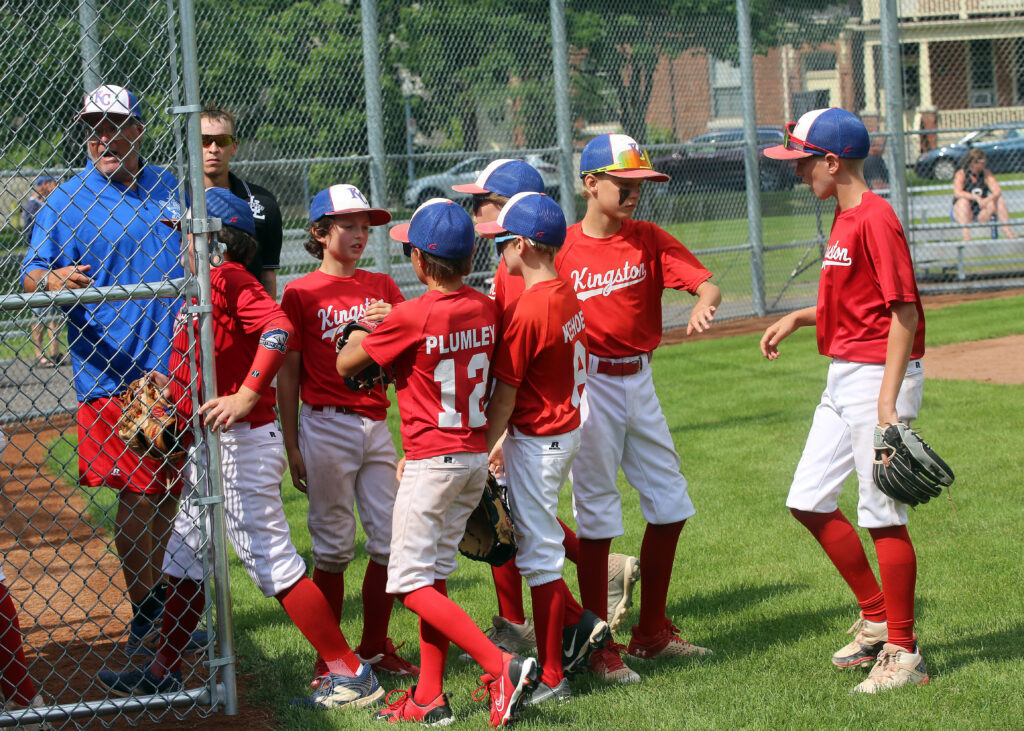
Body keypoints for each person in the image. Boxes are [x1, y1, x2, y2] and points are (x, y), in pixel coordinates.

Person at [97, 188, 384, 710]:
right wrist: (173, 386)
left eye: (184, 233)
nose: (178, 241)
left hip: (244, 442)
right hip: (212, 445)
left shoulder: (228, 277)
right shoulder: (202, 284)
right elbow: (215, 356)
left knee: (270, 559)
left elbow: (277, 329)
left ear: (212, 237)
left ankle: (351, 670)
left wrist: (249, 393)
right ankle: (165, 667)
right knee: (183, 557)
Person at [337, 199, 539, 727]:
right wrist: (394, 321)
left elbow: (346, 364)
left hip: (430, 464)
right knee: (431, 576)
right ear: (470, 258)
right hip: (473, 457)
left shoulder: (411, 314)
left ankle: (501, 664)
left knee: (407, 585)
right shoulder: (486, 306)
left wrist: (363, 327)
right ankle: (430, 695)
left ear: (421, 263)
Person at [761, 107, 930, 694]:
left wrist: (887, 407)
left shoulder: (875, 219)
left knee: (881, 512)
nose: (799, 172)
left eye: (804, 161)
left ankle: (904, 652)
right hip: (846, 375)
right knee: (808, 499)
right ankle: (878, 615)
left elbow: (902, 313)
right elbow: (855, 304)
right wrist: (799, 317)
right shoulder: (845, 214)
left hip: (878, 376)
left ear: (833, 161)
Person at [20, 84, 184, 655]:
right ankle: (149, 617)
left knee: (165, 496)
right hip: (111, 376)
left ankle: (165, 615)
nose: (103, 138)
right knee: (137, 497)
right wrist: (54, 281)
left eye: (115, 125)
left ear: (138, 129)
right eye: (93, 127)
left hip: (173, 372)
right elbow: (29, 276)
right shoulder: (66, 201)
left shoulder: (168, 186)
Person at [551, 133, 719, 683]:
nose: (633, 194)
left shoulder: (647, 238)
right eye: (623, 184)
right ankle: (601, 643)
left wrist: (702, 303)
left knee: (670, 505)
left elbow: (708, 285)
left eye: (640, 185)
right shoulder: (562, 249)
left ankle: (650, 633)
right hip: (589, 385)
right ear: (590, 183)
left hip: (639, 381)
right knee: (597, 513)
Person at [459, 159, 641, 653]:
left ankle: (560, 631)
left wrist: (491, 438)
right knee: (518, 517)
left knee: (511, 521)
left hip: (535, 421)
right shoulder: (534, 274)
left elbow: (517, 361)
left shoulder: (528, 284)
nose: (477, 212)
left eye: (486, 202)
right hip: (554, 417)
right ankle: (561, 601)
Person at [278, 184, 417, 681]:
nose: (360, 234)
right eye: (348, 225)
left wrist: (395, 318)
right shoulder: (300, 291)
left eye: (365, 226)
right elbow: (289, 370)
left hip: (375, 423)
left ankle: (374, 647)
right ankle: (329, 659)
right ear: (319, 232)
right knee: (334, 546)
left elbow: (408, 350)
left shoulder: (382, 285)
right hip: (325, 424)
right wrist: (291, 443)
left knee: (389, 540)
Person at [477, 191, 610, 705]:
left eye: (504, 243)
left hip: (538, 440)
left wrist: (483, 450)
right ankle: (575, 635)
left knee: (541, 560)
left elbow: (506, 397)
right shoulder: (567, 290)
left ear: (526, 245)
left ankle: (553, 676)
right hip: (564, 430)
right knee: (543, 551)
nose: (500, 253)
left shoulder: (531, 307)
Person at [201, 106, 283, 298]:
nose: (213, 149)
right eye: (204, 141)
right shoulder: (175, 201)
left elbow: (267, 273)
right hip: (193, 313)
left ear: (234, 147)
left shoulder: (263, 203)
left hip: (246, 312)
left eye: (222, 141)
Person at [21, 174, 64, 369]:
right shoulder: (33, 207)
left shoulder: (51, 204)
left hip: (53, 262)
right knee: (38, 311)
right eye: (53, 183)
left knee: (54, 311)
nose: (56, 186)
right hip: (38, 263)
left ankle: (55, 350)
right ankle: (39, 353)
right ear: (44, 185)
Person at [951, 148, 1014, 241]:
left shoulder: (985, 173)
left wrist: (987, 200)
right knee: (963, 201)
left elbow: (997, 190)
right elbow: (957, 193)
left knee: (999, 200)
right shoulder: (961, 174)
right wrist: (975, 197)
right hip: (963, 212)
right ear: (974, 162)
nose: (984, 165)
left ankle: (1008, 232)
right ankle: (966, 236)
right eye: (982, 163)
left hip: (980, 210)